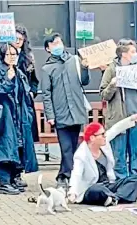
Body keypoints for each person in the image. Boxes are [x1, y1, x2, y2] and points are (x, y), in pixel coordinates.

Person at [0, 25, 39, 190]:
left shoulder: (20, 72)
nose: (12, 57)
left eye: (14, 54)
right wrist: (8, 81)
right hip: (5, 116)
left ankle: (13, 178)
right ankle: (3, 181)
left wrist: (31, 96)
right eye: (9, 54)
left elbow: (28, 89)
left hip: (20, 117)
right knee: (4, 147)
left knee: (18, 146)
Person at [41, 33, 90, 188]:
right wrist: (50, 115)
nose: (57, 45)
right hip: (60, 113)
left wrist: (85, 68)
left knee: (73, 146)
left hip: (76, 110)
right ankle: (67, 176)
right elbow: (46, 94)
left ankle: (64, 175)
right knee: (66, 147)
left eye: (59, 42)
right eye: (53, 44)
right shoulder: (47, 69)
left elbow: (85, 81)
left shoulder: (74, 60)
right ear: (48, 49)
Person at [100, 40, 137, 180]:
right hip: (119, 119)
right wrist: (112, 85)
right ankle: (121, 180)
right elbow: (104, 95)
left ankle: (135, 180)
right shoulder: (111, 69)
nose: (136, 54)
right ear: (123, 54)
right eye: (132, 52)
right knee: (119, 153)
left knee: (136, 152)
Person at [68, 114, 137, 206]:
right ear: (92, 138)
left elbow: (116, 129)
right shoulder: (81, 154)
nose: (105, 136)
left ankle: (114, 198)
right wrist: (73, 193)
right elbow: (76, 174)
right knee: (97, 189)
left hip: (108, 185)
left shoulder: (104, 143)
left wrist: (132, 119)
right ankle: (115, 197)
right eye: (102, 134)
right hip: (91, 188)